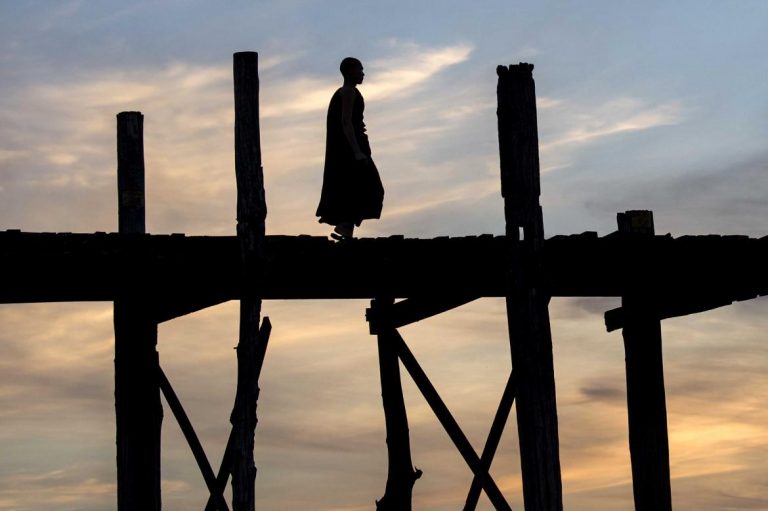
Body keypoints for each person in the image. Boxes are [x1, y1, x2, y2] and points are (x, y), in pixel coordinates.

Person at [316, 57, 384, 240]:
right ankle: (345, 226)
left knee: (353, 187)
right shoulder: (347, 92)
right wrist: (356, 151)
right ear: (349, 71)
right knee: (370, 186)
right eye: (360, 69)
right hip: (350, 148)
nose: (363, 73)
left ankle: (346, 228)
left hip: (356, 145)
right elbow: (346, 122)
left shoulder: (350, 92)